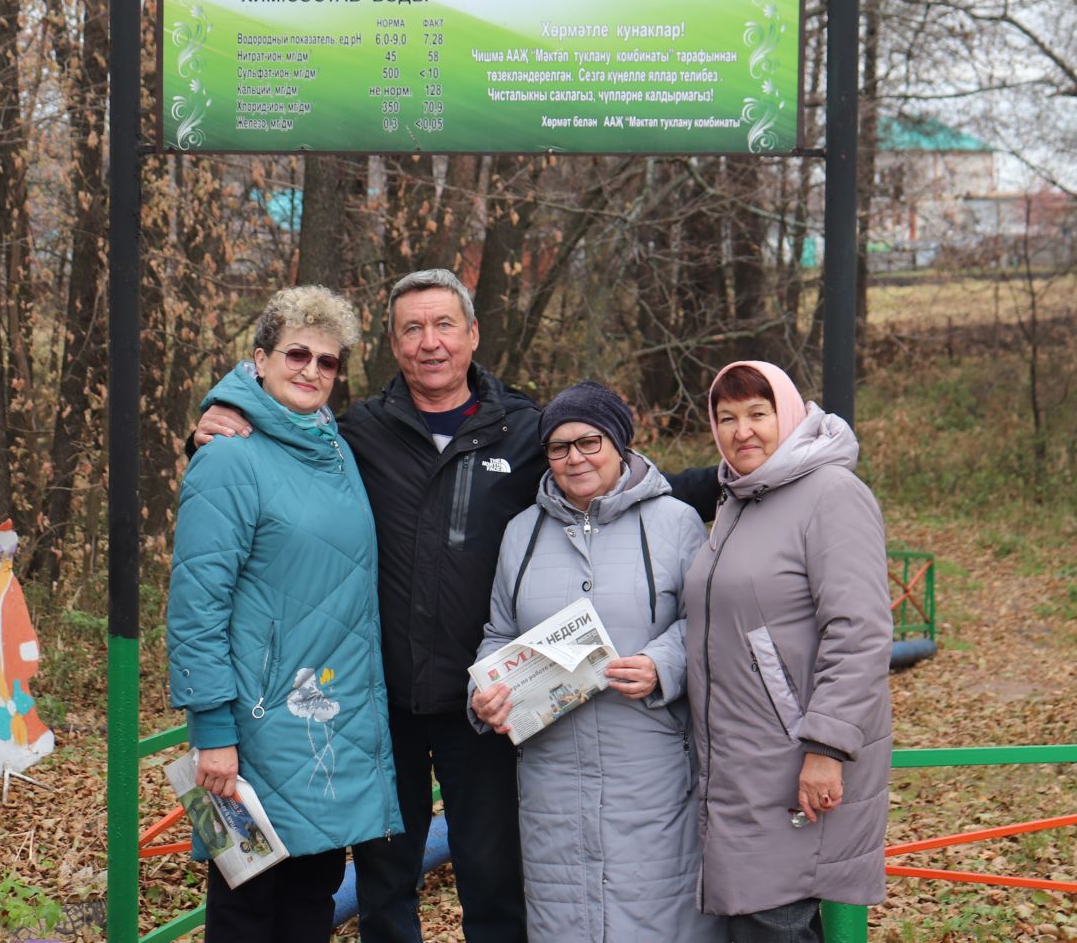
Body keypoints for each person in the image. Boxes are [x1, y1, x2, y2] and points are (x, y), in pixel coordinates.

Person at [192, 269, 721, 943]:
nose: (430, 342)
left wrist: (737, 475)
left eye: (444, 325)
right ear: (393, 343)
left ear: (472, 335)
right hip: (374, 706)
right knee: (382, 889)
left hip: (487, 706)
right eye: (412, 329)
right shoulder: (357, 436)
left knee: (494, 881)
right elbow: (269, 445)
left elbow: (609, 474)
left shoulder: (526, 431)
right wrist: (217, 417)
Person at [168, 286, 402, 943]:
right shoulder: (227, 459)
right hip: (254, 732)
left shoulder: (334, 448)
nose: (311, 370)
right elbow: (196, 605)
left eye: (327, 361)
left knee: (311, 902)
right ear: (259, 359)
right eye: (296, 353)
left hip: (329, 725)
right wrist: (213, 728)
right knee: (248, 907)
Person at [469, 381, 725, 943]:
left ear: (620, 444)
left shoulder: (676, 522)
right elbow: (499, 633)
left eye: (590, 441)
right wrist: (483, 695)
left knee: (661, 917)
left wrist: (662, 664)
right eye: (559, 447)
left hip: (651, 766)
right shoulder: (522, 533)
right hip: (551, 772)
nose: (575, 457)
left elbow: (705, 625)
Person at [686, 361, 892, 943]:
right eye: (726, 418)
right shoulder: (739, 499)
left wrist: (827, 746)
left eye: (758, 413)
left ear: (790, 414)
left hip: (794, 759)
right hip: (735, 757)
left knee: (774, 919)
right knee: (757, 919)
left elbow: (861, 631)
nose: (741, 431)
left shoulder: (831, 495)